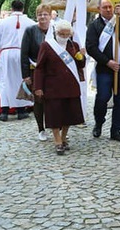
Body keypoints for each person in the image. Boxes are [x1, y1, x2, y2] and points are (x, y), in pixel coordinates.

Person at [86, 0, 120, 142]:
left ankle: (116, 130)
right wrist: (107, 62)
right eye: (105, 7)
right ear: (99, 9)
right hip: (105, 68)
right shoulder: (94, 26)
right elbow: (91, 47)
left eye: (110, 7)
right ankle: (99, 122)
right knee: (102, 98)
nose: (108, 9)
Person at [33, 20, 86, 155]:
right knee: (54, 115)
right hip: (53, 87)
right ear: (56, 33)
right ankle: (57, 141)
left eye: (67, 34)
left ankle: (63, 138)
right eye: (62, 34)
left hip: (70, 86)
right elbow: (39, 68)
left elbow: (81, 65)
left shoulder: (73, 45)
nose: (64, 36)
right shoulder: (47, 46)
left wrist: (81, 56)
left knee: (69, 114)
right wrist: (38, 86)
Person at [0, 0, 36, 121]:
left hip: (6, 53)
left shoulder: (2, 23)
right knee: (21, 79)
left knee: (3, 81)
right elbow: (34, 40)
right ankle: (20, 111)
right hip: (22, 53)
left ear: (12, 9)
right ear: (23, 9)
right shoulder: (30, 22)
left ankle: (4, 111)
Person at [21, 4, 53, 141]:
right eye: (40, 14)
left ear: (50, 16)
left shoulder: (55, 30)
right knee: (39, 100)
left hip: (53, 72)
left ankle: (55, 127)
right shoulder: (30, 31)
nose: (43, 17)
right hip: (36, 70)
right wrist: (26, 75)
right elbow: (24, 53)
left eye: (45, 14)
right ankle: (41, 129)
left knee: (54, 100)